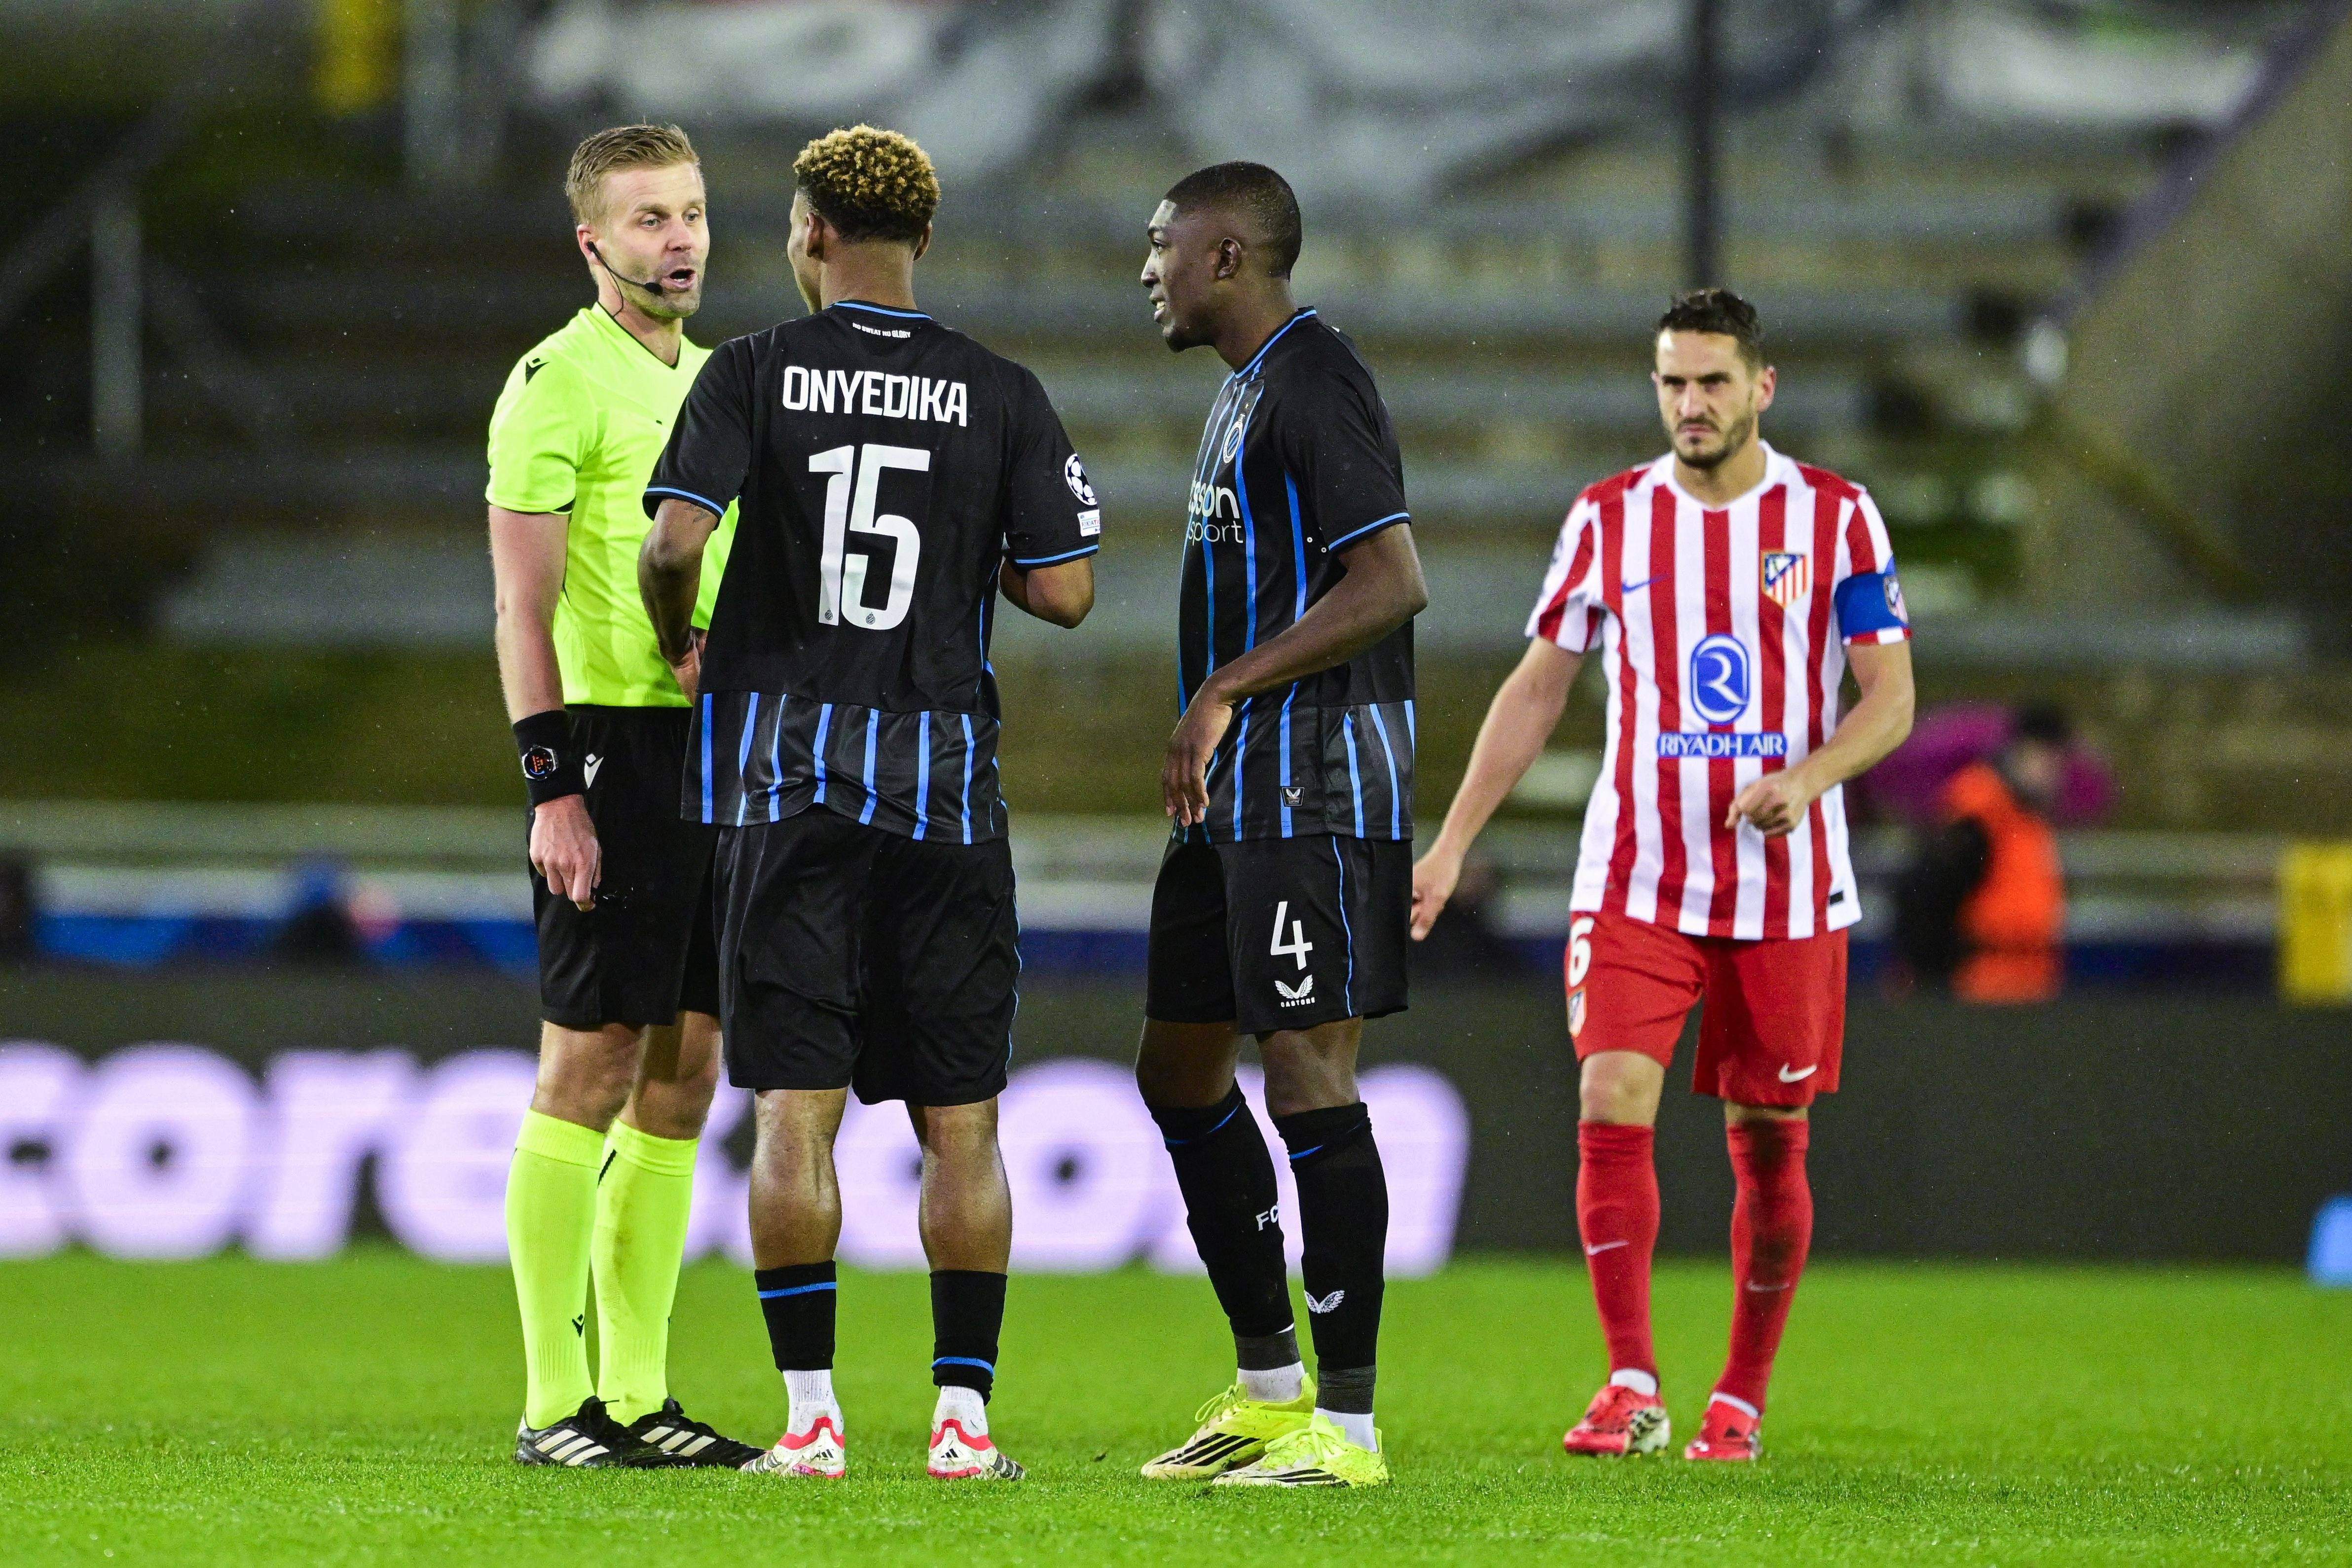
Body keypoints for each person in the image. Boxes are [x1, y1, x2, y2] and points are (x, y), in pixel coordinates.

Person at [637, 124, 1097, 1483]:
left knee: (794, 1114)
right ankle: (963, 1423)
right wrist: (968, 555)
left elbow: (672, 541)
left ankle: (813, 1421)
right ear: (924, 242)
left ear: (813, 235)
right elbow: (1067, 590)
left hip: (786, 780)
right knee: (965, 1125)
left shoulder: (753, 372)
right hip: (946, 792)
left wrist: (685, 631)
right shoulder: (1001, 389)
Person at [1412, 289, 1915, 1462]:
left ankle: (1738, 1395)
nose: (1691, 405)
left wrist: (1813, 775)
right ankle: (1629, 1380)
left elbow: (1890, 696)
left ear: (1761, 388)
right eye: (1672, 384)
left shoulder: (1837, 518)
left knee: (1770, 1138)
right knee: (1608, 1100)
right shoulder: (1608, 519)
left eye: (1712, 383)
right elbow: (1537, 686)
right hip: (1637, 876)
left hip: (1785, 890)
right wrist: (1452, 840)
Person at [1132, 161, 1428, 1490]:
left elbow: (1392, 580)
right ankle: (1265, 1388)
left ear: (1231, 254)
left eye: (1165, 246)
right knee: (1178, 1071)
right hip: (1234, 794)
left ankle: (1349, 1430)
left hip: (1310, 780)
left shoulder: (1315, 378)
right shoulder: (1242, 389)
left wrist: (1224, 688)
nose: (1150, 269)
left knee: (1308, 1069)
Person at [486, 122, 760, 1470]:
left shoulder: (717, 385)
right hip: (605, 750)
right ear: (593, 241)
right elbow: (519, 605)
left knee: (686, 1070)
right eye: (650, 218)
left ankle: (641, 1395)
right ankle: (553, 1403)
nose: (683, 239)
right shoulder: (553, 383)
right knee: (586, 1064)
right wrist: (554, 788)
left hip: (712, 758)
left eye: (695, 213)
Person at [1894, 702, 2069, 1002]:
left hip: (2028, 987)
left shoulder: (2030, 820)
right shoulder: (1977, 819)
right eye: (2043, 759)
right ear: (2018, 753)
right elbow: (1926, 902)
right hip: (1978, 989)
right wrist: (1932, 987)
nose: (2051, 772)